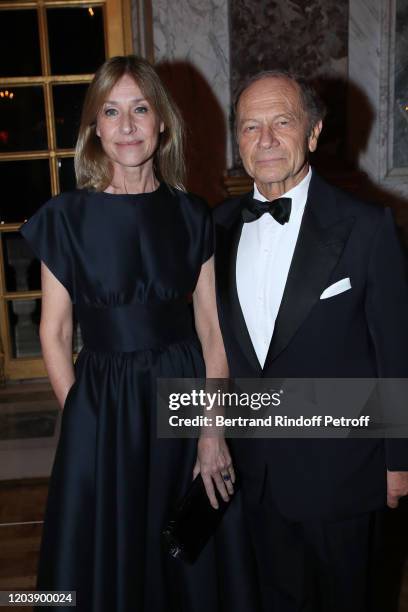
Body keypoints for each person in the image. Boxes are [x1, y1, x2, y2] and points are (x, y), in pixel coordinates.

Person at [21, 55, 257, 612]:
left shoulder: (194, 215)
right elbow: (54, 334)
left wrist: (211, 430)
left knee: (184, 552)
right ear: (95, 128)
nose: (127, 126)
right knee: (103, 552)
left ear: (162, 123)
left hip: (182, 394)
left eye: (141, 109)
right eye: (112, 111)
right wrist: (83, 416)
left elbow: (211, 333)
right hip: (101, 400)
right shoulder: (65, 218)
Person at [213, 70, 408, 612]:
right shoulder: (219, 226)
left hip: (344, 477)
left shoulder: (367, 227)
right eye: (251, 126)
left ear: (315, 133)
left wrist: (400, 461)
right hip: (254, 478)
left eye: (283, 122)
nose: (266, 139)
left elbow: (397, 354)